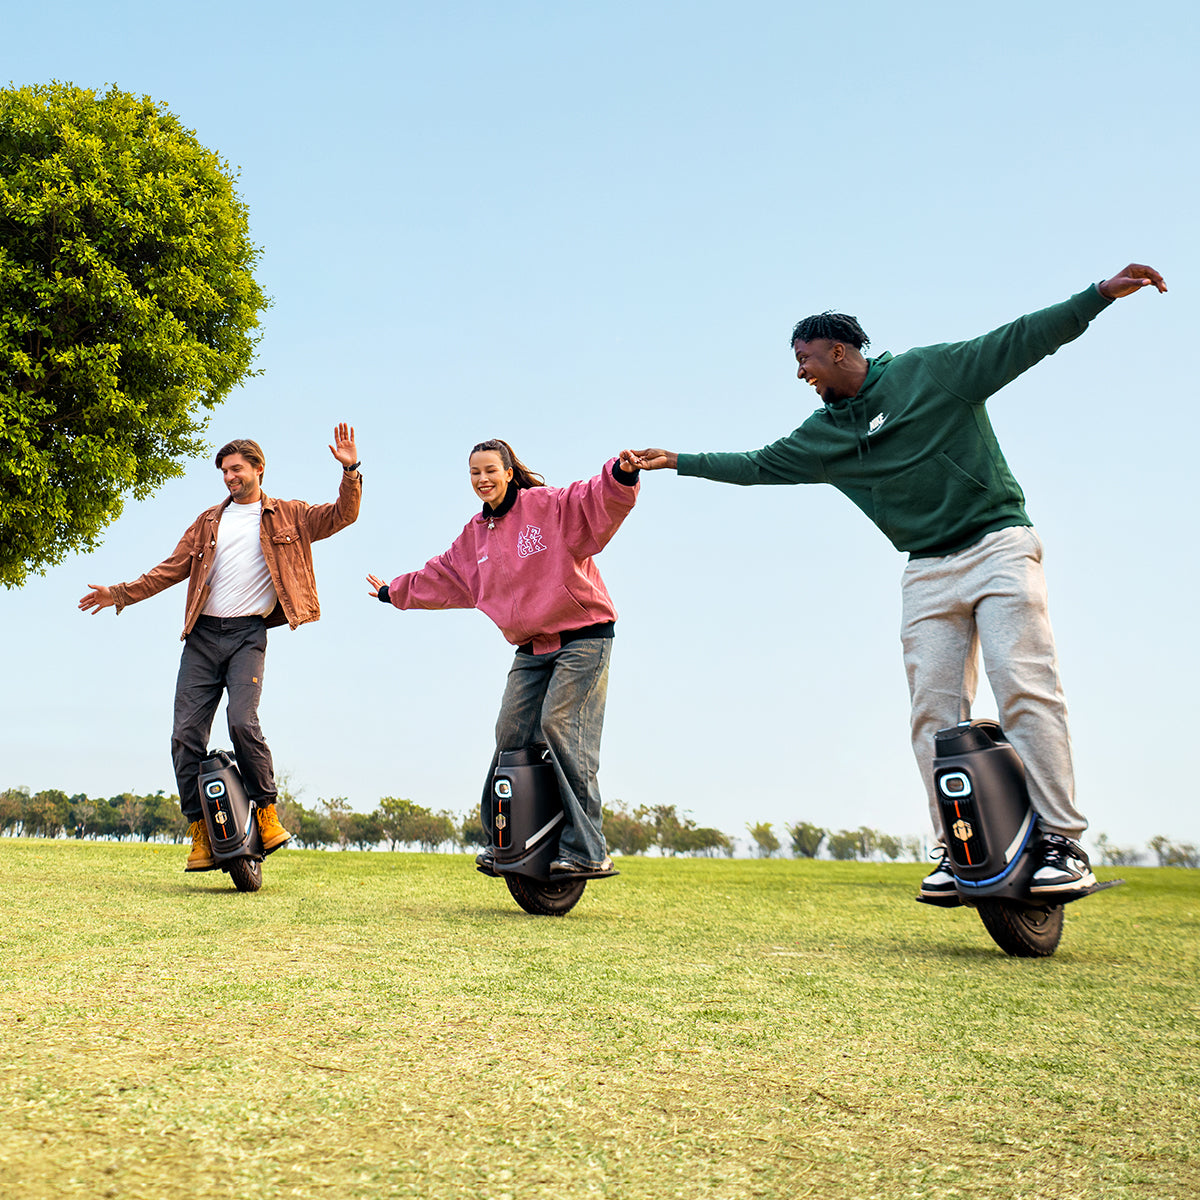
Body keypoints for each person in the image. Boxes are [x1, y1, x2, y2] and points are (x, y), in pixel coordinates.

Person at [622, 264, 1167, 898]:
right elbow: (758, 464)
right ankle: (959, 844)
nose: (801, 373)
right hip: (927, 571)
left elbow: (1019, 339)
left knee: (1023, 684)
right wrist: (680, 461)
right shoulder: (825, 435)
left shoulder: (928, 372)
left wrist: (1098, 295)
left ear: (839, 350)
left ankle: (1062, 842)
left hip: (998, 546)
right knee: (932, 714)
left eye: (806, 360)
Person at [79, 424, 362, 870]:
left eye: (236, 469)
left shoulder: (291, 514)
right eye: (224, 471)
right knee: (184, 736)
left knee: (242, 722)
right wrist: (120, 593)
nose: (229, 477)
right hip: (202, 638)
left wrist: (350, 471)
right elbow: (169, 570)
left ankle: (266, 814)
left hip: (249, 634)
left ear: (258, 469)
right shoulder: (209, 521)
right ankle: (200, 832)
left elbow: (343, 515)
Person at [367, 438, 639, 877]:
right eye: (475, 473)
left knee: (560, 724)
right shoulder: (475, 536)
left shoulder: (546, 507)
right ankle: (505, 840)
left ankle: (588, 848)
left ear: (509, 472)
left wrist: (620, 476)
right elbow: (442, 576)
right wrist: (392, 592)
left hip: (583, 636)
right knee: (509, 733)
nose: (482, 480)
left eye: (490, 470)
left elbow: (591, 502)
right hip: (531, 647)